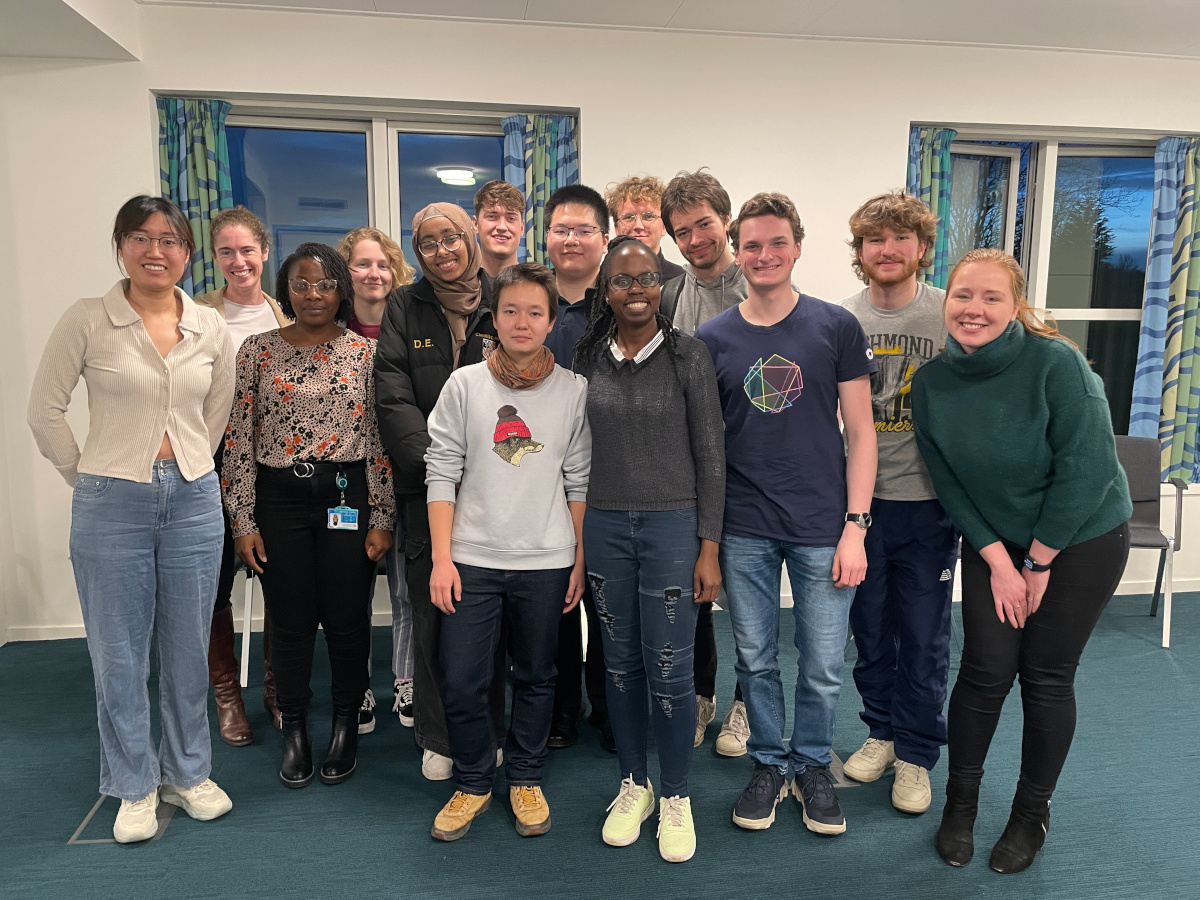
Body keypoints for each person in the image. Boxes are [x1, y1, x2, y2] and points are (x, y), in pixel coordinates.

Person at [911, 248, 1132, 874]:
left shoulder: (1053, 363)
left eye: (991, 298)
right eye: (962, 296)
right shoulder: (931, 384)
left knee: (1045, 676)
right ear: (945, 301)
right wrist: (1000, 562)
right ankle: (960, 805)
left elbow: (1087, 470)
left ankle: (1030, 812)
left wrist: (1036, 563)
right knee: (984, 671)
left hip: (1083, 537)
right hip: (994, 545)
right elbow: (950, 484)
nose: (973, 309)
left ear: (1016, 306)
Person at [28, 195, 236, 842]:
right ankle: (133, 785)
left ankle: (189, 773)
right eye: (141, 237)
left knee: (185, 645)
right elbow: (45, 412)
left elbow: (217, 414)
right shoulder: (89, 319)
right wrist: (88, 477)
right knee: (117, 652)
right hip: (109, 501)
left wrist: (191, 464)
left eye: (170, 239)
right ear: (120, 246)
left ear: (187, 253)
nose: (155, 250)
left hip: (196, 501)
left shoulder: (210, 326)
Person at [695, 192, 877, 837]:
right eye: (752, 245)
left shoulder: (834, 327)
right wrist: (707, 540)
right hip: (744, 526)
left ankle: (812, 765)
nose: (764, 255)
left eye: (777, 243)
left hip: (823, 526)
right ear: (736, 253)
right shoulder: (710, 338)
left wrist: (856, 526)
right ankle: (770, 763)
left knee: (825, 664)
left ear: (797, 247)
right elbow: (705, 446)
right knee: (755, 658)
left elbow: (861, 432)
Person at [424, 262, 591, 842]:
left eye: (535, 312)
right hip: (470, 559)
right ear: (493, 318)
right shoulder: (464, 385)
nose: (522, 322)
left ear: (552, 321)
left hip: (545, 561)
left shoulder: (574, 390)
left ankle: (525, 775)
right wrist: (443, 559)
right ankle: (472, 780)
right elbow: (441, 471)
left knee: (538, 675)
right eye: (511, 310)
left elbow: (578, 479)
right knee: (465, 678)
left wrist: (577, 555)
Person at [573, 236, 725, 863]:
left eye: (646, 279)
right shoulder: (586, 356)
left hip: (672, 528)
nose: (635, 291)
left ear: (661, 283)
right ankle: (633, 784)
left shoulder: (689, 355)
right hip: (604, 526)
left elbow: (712, 458)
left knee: (670, 666)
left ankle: (677, 796)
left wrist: (708, 547)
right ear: (604, 291)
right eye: (620, 281)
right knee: (619, 664)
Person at [222, 242, 395, 790]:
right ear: (285, 290)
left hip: (347, 494)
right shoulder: (256, 351)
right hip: (279, 499)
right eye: (301, 284)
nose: (313, 294)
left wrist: (383, 515)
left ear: (342, 289)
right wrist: (243, 521)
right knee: (291, 620)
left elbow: (378, 442)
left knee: (347, 619)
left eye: (324, 284)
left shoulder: (364, 354)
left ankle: (345, 721)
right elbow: (238, 442)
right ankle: (294, 726)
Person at [374, 203, 507, 782]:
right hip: (426, 490)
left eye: (451, 238)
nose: (443, 251)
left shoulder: (502, 296)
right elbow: (392, 392)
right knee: (433, 611)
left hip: (499, 489)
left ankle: (489, 730)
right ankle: (437, 735)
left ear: (471, 237)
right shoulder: (406, 304)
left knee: (489, 618)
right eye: (428, 244)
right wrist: (439, 467)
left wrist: (482, 469)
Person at [837, 192, 960, 815]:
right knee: (870, 630)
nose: (887, 250)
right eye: (875, 239)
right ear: (860, 251)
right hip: (862, 507)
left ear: (921, 247)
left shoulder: (948, 313)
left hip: (930, 505)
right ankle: (880, 732)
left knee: (924, 636)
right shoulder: (841, 319)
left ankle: (916, 755)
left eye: (900, 238)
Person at [659, 168, 750, 754]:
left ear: (726, 220)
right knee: (696, 590)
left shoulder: (759, 286)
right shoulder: (671, 297)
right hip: (691, 469)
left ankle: (746, 705)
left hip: (751, 466)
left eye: (704, 225)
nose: (695, 240)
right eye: (682, 231)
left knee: (747, 596)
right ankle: (701, 695)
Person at [195, 205, 290, 746]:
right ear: (216, 257)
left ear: (264, 251)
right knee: (215, 585)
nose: (238, 261)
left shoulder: (284, 315)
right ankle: (227, 695)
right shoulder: (197, 314)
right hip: (206, 462)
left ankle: (277, 689)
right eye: (227, 251)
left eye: (247, 250)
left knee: (279, 578)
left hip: (268, 465)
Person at [337, 227, 418, 732]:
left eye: (383, 264)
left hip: (403, 475)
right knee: (353, 591)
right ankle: (358, 686)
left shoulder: (409, 325)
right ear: (346, 274)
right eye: (362, 265)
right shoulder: (330, 329)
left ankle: (406, 682)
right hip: (348, 482)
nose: (374, 274)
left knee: (406, 589)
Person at [541, 184, 613, 751]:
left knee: (608, 599)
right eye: (561, 229)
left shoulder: (622, 305)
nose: (571, 239)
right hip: (541, 482)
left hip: (613, 477)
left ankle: (609, 706)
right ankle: (561, 709)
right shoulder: (529, 302)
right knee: (558, 601)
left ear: (604, 239)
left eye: (584, 229)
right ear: (546, 237)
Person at [604, 176, 686, 282]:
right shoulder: (602, 281)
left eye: (648, 216)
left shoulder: (682, 281)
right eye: (628, 217)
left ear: (664, 226)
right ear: (616, 228)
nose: (638, 226)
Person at [473, 180, 525, 278]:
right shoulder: (459, 287)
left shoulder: (537, 288)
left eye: (511, 218)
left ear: (522, 228)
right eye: (492, 217)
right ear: (476, 224)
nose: (502, 227)